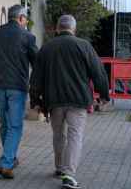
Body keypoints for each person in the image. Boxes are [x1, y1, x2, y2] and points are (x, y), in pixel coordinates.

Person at [30, 15, 110, 189]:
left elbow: (36, 78)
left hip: (54, 100)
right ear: (74, 29)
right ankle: (69, 173)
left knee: (58, 135)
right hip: (78, 100)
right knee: (75, 136)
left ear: (57, 29)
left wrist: (35, 100)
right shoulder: (84, 46)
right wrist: (104, 95)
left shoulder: (46, 48)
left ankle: (59, 167)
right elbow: (99, 73)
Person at [0, 4, 38, 179]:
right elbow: (37, 63)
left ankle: (10, 158)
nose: (26, 22)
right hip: (17, 88)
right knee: (15, 125)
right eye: (25, 18)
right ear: (20, 18)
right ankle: (6, 163)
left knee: (5, 124)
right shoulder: (27, 37)